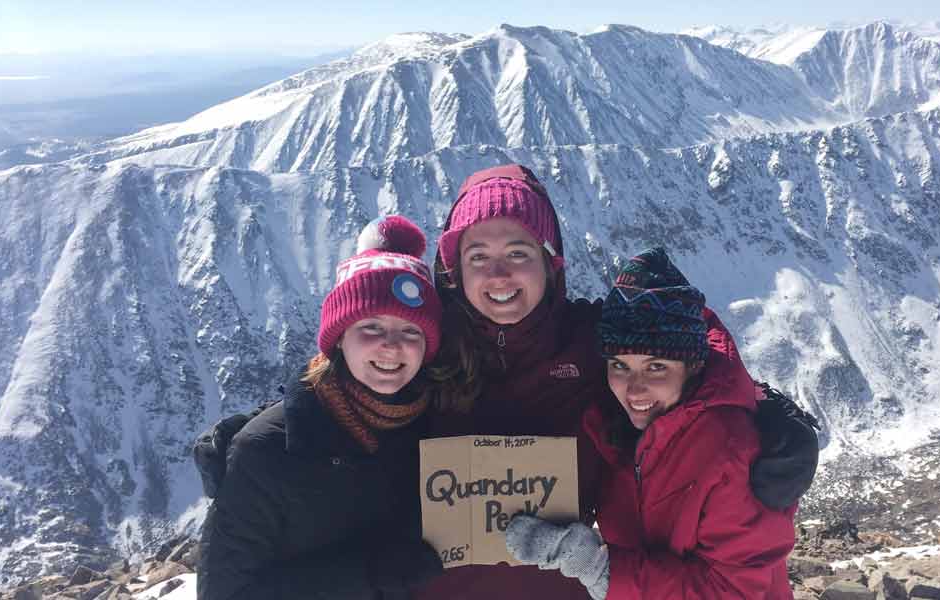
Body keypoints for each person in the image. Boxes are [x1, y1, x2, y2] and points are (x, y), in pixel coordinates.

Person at [416, 165, 816, 600]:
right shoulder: (421, 348)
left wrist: (768, 417)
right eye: (478, 256)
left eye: (518, 253)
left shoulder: (591, 341)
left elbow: (678, 337)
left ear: (550, 263)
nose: (499, 275)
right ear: (454, 268)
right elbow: (353, 374)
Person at [505, 247, 797, 600]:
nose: (634, 388)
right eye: (620, 366)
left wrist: (598, 568)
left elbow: (735, 590)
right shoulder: (615, 427)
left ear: (692, 365)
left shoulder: (729, 447)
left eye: (656, 366)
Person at [197, 216, 446, 600]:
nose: (391, 346)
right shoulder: (267, 450)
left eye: (411, 331)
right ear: (339, 338)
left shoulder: (435, 428)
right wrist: (367, 574)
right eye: (371, 327)